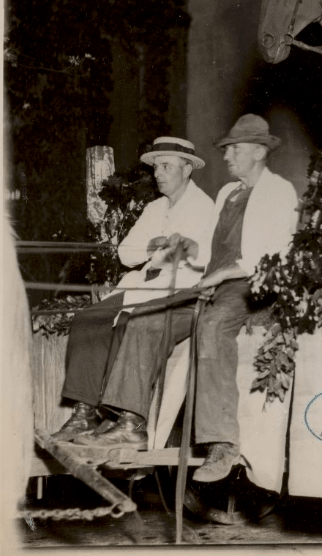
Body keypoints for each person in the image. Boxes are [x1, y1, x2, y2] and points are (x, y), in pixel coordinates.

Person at [77, 115, 300, 484]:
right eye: (227, 149)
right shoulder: (229, 193)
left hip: (255, 287)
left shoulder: (280, 192)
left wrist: (222, 275)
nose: (227, 156)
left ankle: (221, 443)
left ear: (259, 152)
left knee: (211, 327)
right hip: (214, 283)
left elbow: (273, 255)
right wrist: (191, 250)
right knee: (146, 318)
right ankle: (132, 422)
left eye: (235, 149)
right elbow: (210, 251)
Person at [51, 137, 215, 442]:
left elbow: (198, 257)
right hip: (144, 284)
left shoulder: (205, 208)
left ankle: (127, 420)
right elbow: (126, 253)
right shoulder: (155, 208)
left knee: (133, 322)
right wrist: (153, 247)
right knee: (88, 320)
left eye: (167, 166)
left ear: (187, 169)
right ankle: (84, 413)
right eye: (156, 167)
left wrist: (164, 250)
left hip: (178, 287)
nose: (158, 173)